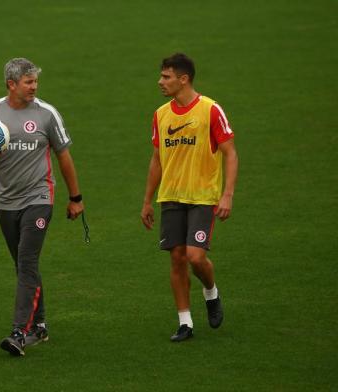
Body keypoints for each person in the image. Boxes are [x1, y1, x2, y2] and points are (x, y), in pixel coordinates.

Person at [0, 58, 84, 356]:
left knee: (27, 260)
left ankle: (19, 332)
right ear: (11, 84)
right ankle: (40, 325)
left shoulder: (46, 114)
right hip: (5, 202)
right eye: (28, 82)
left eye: (35, 82)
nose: (34, 87)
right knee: (23, 266)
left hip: (39, 198)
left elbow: (64, 156)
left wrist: (75, 198)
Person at [141, 53, 238, 342]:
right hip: (171, 196)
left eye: (166, 77)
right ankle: (185, 322)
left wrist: (227, 194)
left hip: (202, 196)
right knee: (177, 258)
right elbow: (156, 159)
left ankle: (211, 292)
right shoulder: (160, 114)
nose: (160, 82)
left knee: (196, 257)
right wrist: (147, 200)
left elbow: (230, 153)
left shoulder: (210, 110)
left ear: (183, 79)